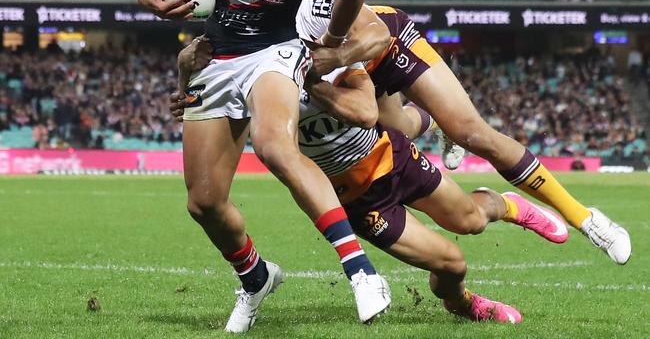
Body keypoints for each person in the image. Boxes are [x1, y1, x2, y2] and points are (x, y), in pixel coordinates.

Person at [135, 0, 390, 332]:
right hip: (217, 59)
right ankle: (255, 278)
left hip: (275, 51)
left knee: (274, 145)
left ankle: (361, 272)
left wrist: (332, 44)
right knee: (203, 203)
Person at [170, 39, 570, 325]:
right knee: (452, 263)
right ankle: (462, 304)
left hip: (391, 158)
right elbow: (217, 106)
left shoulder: (326, 50)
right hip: (356, 201)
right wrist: (191, 93)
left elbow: (364, 109)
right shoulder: (248, 71)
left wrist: (308, 81)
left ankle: (510, 205)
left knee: (471, 221)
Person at [296, 0, 632, 265]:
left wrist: (334, 57)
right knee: (399, 128)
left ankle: (586, 219)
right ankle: (437, 120)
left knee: (472, 133)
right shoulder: (254, 35)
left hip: (383, 45)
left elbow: (375, 29)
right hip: (351, 75)